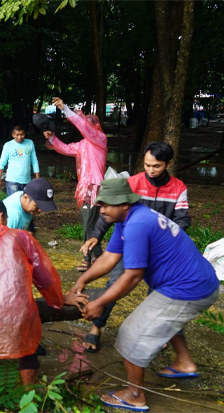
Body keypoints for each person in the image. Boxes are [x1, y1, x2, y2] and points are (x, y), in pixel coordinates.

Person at [70, 178, 218, 412]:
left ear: (124, 204)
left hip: (187, 288)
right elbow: (109, 257)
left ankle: (135, 395)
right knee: (165, 319)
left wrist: (100, 302)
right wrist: (82, 280)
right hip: (194, 280)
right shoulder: (127, 218)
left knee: (132, 333)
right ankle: (185, 362)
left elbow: (132, 277)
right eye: (101, 204)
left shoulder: (138, 223)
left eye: (108, 204)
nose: (103, 209)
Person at [0, 198, 88, 412]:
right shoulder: (21, 238)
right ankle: (28, 401)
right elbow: (44, 276)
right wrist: (59, 300)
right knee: (27, 347)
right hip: (15, 316)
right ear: (1, 217)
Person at [78, 141, 191, 353]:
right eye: (147, 165)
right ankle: (96, 328)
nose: (150, 170)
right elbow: (109, 210)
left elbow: (183, 220)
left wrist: (163, 240)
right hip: (128, 244)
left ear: (169, 164)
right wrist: (96, 235)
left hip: (160, 251)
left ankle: (156, 333)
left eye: (156, 166)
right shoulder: (133, 182)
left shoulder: (178, 188)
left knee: (159, 293)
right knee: (115, 285)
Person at [43, 97, 107, 272]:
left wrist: (65, 108)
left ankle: (87, 258)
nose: (87, 128)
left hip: (94, 187)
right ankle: (98, 256)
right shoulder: (83, 144)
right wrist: (53, 138)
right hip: (84, 187)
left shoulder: (100, 139)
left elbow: (84, 127)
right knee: (90, 223)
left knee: (88, 223)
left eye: (89, 125)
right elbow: (66, 148)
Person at [0, 125, 40, 195]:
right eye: (17, 135)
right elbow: (2, 163)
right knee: (14, 203)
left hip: (27, 180)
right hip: (12, 180)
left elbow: (34, 161)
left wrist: (37, 178)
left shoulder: (30, 143)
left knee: (26, 204)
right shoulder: (8, 145)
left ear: (24, 134)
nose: (20, 137)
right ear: (13, 135)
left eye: (22, 134)